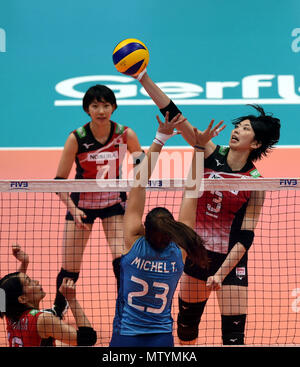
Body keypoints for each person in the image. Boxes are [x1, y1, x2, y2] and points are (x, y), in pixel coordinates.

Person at [131, 69, 281, 345]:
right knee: (186, 330)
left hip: (231, 263)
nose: (237, 130)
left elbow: (246, 235)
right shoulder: (209, 151)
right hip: (196, 254)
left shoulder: (257, 181)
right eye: (239, 125)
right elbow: (175, 115)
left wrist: (221, 274)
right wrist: (143, 78)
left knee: (234, 338)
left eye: (246, 129)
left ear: (256, 143)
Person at [109, 112, 223, 347]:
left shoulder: (133, 242)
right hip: (161, 338)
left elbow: (139, 183)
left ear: (143, 229)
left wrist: (160, 137)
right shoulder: (178, 251)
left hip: (126, 337)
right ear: (173, 231)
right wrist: (200, 149)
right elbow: (192, 191)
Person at [53, 84, 143, 317]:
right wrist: (72, 209)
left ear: (113, 107)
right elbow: (59, 180)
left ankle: (126, 309)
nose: (101, 110)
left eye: (105, 105)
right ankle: (58, 309)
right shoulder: (77, 138)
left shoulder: (125, 133)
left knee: (121, 261)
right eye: (95, 106)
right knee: (70, 267)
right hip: (81, 206)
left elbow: (141, 159)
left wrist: (136, 190)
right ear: (87, 109)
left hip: (114, 203)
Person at [0, 243, 97, 347]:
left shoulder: (10, 313)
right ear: (22, 299)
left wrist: (24, 262)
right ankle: (58, 310)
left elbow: (8, 292)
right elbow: (89, 339)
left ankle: (58, 311)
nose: (36, 282)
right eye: (30, 282)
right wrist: (71, 299)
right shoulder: (43, 320)